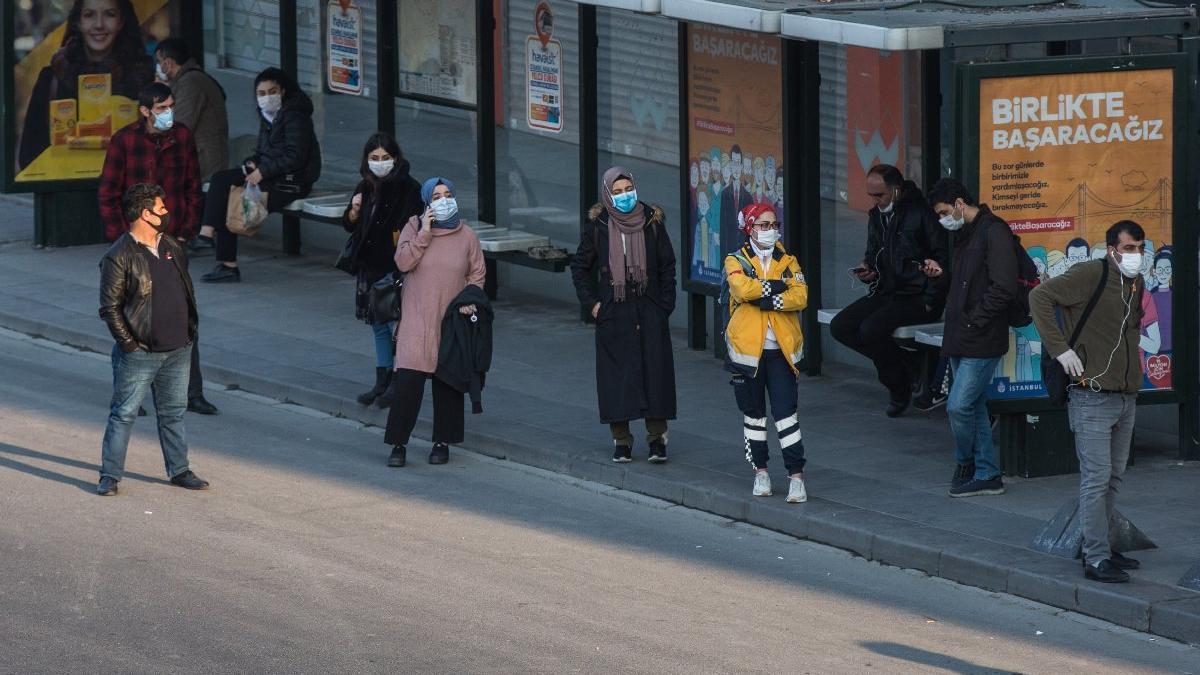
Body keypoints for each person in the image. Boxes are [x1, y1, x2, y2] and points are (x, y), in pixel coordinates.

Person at [1030, 220, 1147, 583]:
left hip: (1125, 395)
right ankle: (1095, 558)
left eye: (1140, 248)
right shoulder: (1090, 274)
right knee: (1096, 479)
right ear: (1112, 248)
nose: (1136, 256)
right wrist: (1060, 350)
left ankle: (1104, 545)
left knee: (1113, 478)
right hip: (1091, 396)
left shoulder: (1135, 281)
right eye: (1129, 249)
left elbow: (1129, 329)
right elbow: (1039, 297)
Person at [97, 80, 217, 415]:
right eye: (161, 108)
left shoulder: (181, 138)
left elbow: (193, 187)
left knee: (181, 314)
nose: (168, 114)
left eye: (170, 107)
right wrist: (123, 240)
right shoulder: (125, 141)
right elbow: (108, 194)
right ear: (145, 111)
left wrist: (186, 232)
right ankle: (129, 393)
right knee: (131, 317)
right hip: (133, 245)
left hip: (171, 242)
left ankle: (191, 392)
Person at [96, 184, 210, 496]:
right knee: (124, 414)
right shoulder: (118, 256)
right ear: (145, 214)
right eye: (161, 209)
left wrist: (189, 332)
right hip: (140, 354)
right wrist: (130, 345)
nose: (166, 213)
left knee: (173, 413)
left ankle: (180, 470)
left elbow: (185, 288)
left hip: (179, 348)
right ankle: (110, 476)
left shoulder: (170, 244)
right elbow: (110, 308)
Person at [571, 167, 678, 463]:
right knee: (617, 376)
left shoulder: (652, 223)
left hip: (649, 309)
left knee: (654, 373)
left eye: (627, 189)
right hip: (614, 311)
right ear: (607, 194)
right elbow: (580, 267)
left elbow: (668, 266)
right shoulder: (599, 226)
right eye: (616, 192)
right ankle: (622, 440)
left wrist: (664, 305)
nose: (624, 196)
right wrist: (593, 305)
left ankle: (657, 439)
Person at [383, 177, 485, 467]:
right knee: (408, 384)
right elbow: (403, 262)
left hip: (451, 322)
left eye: (448, 194)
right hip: (418, 320)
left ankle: (442, 442)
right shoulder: (413, 227)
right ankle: (398, 445)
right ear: (426, 201)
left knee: (448, 385)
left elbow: (477, 275)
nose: (444, 200)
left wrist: (468, 301)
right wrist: (425, 233)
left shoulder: (467, 236)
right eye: (437, 196)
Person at [830, 164, 948, 416]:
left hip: (918, 295)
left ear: (896, 190)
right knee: (840, 326)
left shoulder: (920, 213)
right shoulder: (876, 216)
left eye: (880, 195)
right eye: (871, 195)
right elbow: (873, 254)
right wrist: (868, 270)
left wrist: (931, 299)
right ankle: (906, 363)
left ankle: (898, 385)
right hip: (888, 291)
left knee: (871, 329)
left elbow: (942, 258)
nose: (875, 200)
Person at [926, 178, 1018, 497]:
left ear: (960, 204)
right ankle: (987, 472)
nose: (942, 219)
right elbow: (966, 284)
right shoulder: (967, 234)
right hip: (962, 332)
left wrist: (973, 321)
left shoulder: (993, 231)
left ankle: (966, 461)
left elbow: (1003, 286)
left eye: (943, 212)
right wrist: (941, 277)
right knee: (974, 405)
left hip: (980, 334)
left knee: (958, 406)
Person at [200, 67, 321, 283]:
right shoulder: (268, 116)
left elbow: (296, 157)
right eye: (261, 94)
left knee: (233, 198)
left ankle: (227, 265)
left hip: (291, 182)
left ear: (282, 91)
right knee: (220, 180)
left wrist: (262, 171)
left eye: (271, 91)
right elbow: (264, 151)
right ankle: (205, 236)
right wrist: (253, 163)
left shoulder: (295, 116)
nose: (267, 98)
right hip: (269, 173)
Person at [723, 204, 809, 503]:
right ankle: (761, 472)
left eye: (773, 223)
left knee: (787, 416)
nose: (770, 229)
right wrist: (775, 288)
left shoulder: (788, 260)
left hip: (781, 354)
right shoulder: (735, 259)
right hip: (748, 355)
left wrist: (768, 298)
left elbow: (800, 296)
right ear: (749, 227)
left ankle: (796, 476)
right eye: (762, 224)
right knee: (754, 417)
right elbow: (741, 289)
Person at [18, 0, 154, 171]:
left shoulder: (143, 77)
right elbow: (29, 155)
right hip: (67, 192)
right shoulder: (52, 78)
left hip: (125, 191)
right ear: (78, 22)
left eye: (109, 14)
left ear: (121, 22)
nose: (99, 25)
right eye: (89, 15)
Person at [341, 133, 423, 407]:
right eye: (374, 158)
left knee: (395, 325)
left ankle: (398, 380)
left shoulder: (409, 188)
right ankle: (382, 379)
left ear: (396, 158)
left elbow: (412, 227)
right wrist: (353, 212)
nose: (379, 163)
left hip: (393, 266)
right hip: (369, 266)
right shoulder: (365, 186)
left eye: (385, 158)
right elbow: (350, 223)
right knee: (377, 324)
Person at [154, 38, 228, 182]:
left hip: (204, 165)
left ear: (168, 63)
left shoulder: (190, 83)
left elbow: (178, 126)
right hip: (203, 161)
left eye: (159, 62)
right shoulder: (192, 79)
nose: (158, 67)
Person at [719, 145, 754, 257]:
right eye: (733, 163)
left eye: (738, 163)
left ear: (742, 166)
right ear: (730, 165)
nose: (736, 168)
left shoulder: (748, 197)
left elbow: (750, 230)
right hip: (729, 251)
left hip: (743, 251)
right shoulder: (725, 194)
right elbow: (723, 229)